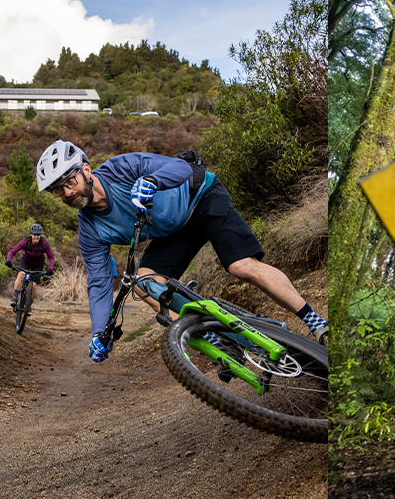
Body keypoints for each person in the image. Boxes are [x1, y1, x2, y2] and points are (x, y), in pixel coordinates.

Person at [34, 140, 328, 363]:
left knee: (241, 266)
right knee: (144, 285)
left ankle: (317, 323)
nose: (67, 193)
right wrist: (100, 331)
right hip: (175, 232)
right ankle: (217, 342)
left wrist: (152, 181)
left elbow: (182, 168)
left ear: (86, 170)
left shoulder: (118, 169)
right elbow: (98, 282)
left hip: (201, 198)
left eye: (69, 182)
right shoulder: (88, 228)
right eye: (58, 191)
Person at [5, 224, 56, 314]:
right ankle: (15, 298)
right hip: (26, 261)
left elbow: (51, 257)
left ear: (40, 235)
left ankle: (29, 306)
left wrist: (50, 269)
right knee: (21, 275)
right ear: (31, 235)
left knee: (34, 285)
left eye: (38, 235)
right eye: (34, 234)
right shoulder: (26, 241)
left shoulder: (44, 243)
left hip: (38, 264)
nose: (36, 237)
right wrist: (8, 260)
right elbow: (12, 251)